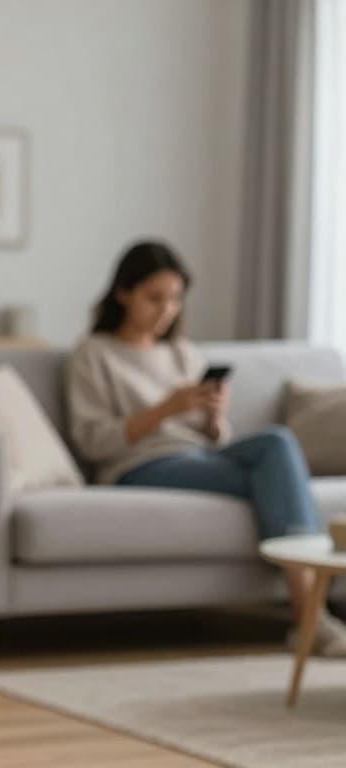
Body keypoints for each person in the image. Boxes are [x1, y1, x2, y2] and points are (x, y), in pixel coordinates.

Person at [66, 240, 342, 653]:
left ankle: (308, 615)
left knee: (276, 442)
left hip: (197, 456)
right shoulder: (93, 354)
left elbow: (217, 440)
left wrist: (213, 418)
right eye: (154, 298)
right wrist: (165, 409)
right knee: (272, 468)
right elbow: (92, 441)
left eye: (175, 299)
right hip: (140, 466)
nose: (166, 310)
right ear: (123, 293)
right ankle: (309, 616)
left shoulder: (182, 352)